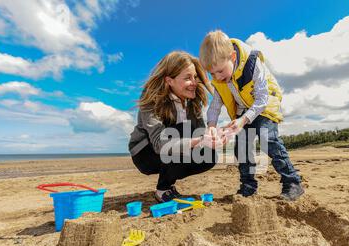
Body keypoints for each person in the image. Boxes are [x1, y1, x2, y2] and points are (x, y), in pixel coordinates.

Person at [199, 30, 304, 201]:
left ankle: (292, 182)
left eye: (220, 71)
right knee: (241, 146)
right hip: (242, 111)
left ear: (232, 57)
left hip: (264, 105)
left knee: (267, 138)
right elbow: (215, 105)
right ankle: (248, 186)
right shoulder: (219, 79)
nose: (217, 77)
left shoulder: (253, 63)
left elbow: (262, 98)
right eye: (212, 74)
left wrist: (243, 120)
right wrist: (211, 126)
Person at [128, 51, 226, 203]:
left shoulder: (193, 100)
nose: (194, 82)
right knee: (180, 132)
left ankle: (169, 180)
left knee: (209, 155)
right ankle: (163, 189)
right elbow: (160, 144)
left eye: (195, 77)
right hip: (145, 152)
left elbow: (200, 133)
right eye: (187, 78)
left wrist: (212, 137)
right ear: (169, 81)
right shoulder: (151, 99)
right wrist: (197, 140)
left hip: (173, 146)